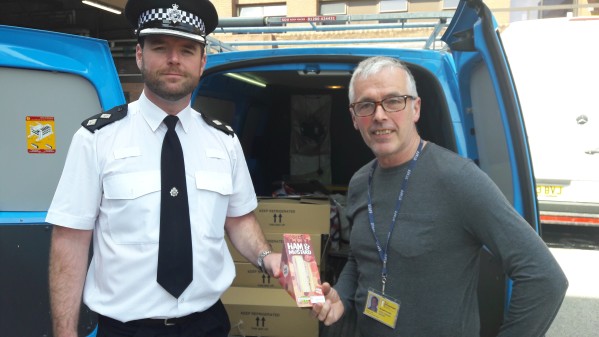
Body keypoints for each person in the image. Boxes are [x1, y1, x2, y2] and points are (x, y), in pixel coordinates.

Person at [46, 1, 281, 336]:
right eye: (160, 47)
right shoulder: (96, 139)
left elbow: (238, 219)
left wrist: (265, 257)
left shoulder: (224, 141)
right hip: (126, 329)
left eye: (187, 50)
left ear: (202, 63)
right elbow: (69, 240)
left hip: (207, 325)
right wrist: (65, 333)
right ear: (140, 55)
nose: (174, 59)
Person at [311, 56, 568, 336]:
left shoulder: (458, 179)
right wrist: (342, 296)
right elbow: (360, 259)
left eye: (394, 100)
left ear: (416, 108)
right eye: (366, 105)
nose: (380, 115)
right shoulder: (360, 181)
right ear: (354, 118)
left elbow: (545, 278)